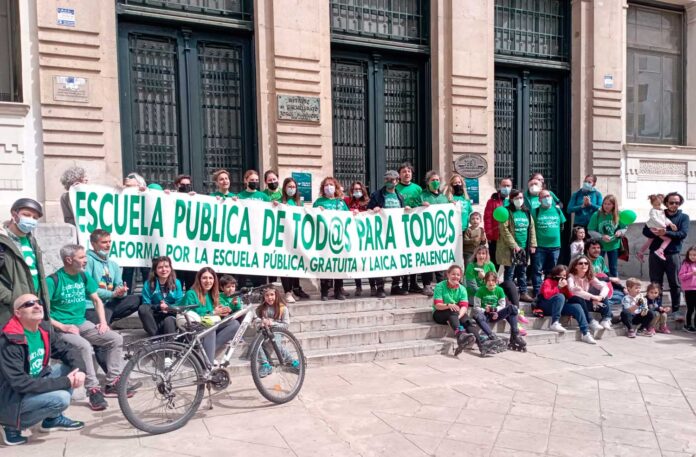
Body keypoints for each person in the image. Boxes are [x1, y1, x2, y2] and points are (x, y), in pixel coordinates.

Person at [47, 244, 135, 411]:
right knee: (85, 346)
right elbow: (43, 312)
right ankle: (93, 389)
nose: (86, 260)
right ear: (68, 260)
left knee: (115, 338)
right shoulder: (53, 281)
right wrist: (63, 326)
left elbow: (97, 300)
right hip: (61, 327)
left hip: (81, 322)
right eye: (81, 257)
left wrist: (103, 322)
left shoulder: (84, 276)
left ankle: (112, 383)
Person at [0, 294, 86, 446]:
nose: (37, 305)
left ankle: (52, 419)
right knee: (61, 398)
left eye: (38, 302)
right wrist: (65, 382)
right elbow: (19, 383)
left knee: (69, 368)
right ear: (18, 313)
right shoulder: (9, 340)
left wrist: (80, 371)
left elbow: (68, 351)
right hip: (10, 396)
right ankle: (11, 426)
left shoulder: (43, 330)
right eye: (29, 304)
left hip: (33, 381)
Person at [0, 198, 50, 327]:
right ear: (14, 214)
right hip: (11, 310)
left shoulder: (32, 241)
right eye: (26, 215)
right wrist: (11, 298)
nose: (31, 220)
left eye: (35, 217)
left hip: (34, 305)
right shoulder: (2, 242)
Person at [431, 265, 499, 357]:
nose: (456, 277)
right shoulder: (440, 286)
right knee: (453, 310)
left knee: (467, 320)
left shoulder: (462, 289)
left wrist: (457, 317)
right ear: (448, 274)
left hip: (454, 314)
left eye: (458, 275)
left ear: (461, 276)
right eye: (453, 274)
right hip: (440, 313)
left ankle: (481, 346)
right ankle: (460, 335)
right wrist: (449, 305)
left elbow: (464, 306)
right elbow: (437, 305)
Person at [642, 192, 690, 313]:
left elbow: (682, 234)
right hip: (655, 254)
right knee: (655, 283)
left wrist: (666, 233)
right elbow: (645, 231)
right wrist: (655, 232)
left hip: (672, 254)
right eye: (671, 202)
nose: (674, 205)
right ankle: (656, 310)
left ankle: (675, 310)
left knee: (675, 283)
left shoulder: (683, 217)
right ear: (666, 203)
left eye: (677, 203)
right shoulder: (658, 212)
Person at [181, 267, 240, 362]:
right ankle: (208, 364)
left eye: (210, 278)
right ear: (199, 279)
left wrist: (223, 311)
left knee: (235, 324)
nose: (208, 281)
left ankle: (205, 353)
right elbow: (192, 313)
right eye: (204, 278)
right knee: (210, 328)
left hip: (210, 325)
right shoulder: (191, 293)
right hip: (195, 328)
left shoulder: (212, 294)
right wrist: (213, 312)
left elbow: (215, 314)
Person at [85, 229, 141, 322]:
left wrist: (121, 291)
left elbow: (119, 284)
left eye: (109, 241)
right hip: (92, 305)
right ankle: (104, 321)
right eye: (104, 242)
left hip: (108, 303)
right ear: (93, 244)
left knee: (138, 299)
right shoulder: (87, 261)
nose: (108, 245)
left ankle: (107, 319)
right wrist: (112, 294)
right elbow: (89, 289)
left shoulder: (113, 264)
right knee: (104, 328)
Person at [368, 170, 407, 298]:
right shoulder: (377, 195)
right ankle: (380, 287)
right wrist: (374, 209)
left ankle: (396, 285)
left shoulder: (400, 196)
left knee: (396, 259)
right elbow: (368, 210)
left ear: (397, 181)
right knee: (381, 259)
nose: (390, 182)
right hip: (382, 234)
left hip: (397, 234)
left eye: (392, 180)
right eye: (387, 180)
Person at [536, 265, 596, 344]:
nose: (564, 278)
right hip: (546, 306)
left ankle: (586, 333)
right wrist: (558, 287)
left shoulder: (565, 283)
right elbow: (547, 295)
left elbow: (569, 297)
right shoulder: (548, 281)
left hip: (559, 307)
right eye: (562, 275)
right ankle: (554, 323)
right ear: (555, 275)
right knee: (560, 296)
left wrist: (568, 288)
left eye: (565, 276)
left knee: (577, 306)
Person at [497, 189, 536, 302]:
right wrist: (514, 245)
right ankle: (508, 294)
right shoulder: (507, 212)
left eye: (521, 198)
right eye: (517, 198)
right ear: (511, 199)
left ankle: (523, 292)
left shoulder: (526, 212)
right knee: (510, 272)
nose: (520, 200)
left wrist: (533, 244)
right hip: (511, 249)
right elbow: (504, 230)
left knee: (522, 271)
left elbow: (531, 229)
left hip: (524, 247)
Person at [314, 177, 349, 301]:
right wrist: (317, 211)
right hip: (324, 239)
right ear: (323, 188)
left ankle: (338, 290)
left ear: (336, 187)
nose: (329, 187)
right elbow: (311, 217)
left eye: (331, 184)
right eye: (326, 185)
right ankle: (324, 291)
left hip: (339, 239)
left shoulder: (341, 202)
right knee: (325, 265)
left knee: (339, 264)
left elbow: (348, 217)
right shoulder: (319, 202)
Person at [472, 272, 527, 351]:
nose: (491, 283)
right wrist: (485, 310)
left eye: (493, 280)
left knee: (512, 308)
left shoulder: (500, 290)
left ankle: (515, 335)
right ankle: (492, 337)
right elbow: (476, 307)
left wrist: (494, 310)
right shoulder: (480, 290)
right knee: (477, 316)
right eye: (488, 281)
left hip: (496, 314)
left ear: (496, 281)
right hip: (485, 315)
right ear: (485, 281)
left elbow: (502, 305)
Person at [418, 170, 451, 296]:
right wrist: (420, 205)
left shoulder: (443, 198)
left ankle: (441, 284)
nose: (436, 182)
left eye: (437, 180)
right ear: (427, 182)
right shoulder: (422, 196)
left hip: (440, 235)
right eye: (433, 180)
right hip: (426, 235)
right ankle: (426, 285)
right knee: (427, 260)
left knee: (440, 260)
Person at [255, 286, 299, 377]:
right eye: (267, 295)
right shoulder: (261, 308)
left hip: (277, 331)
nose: (270, 297)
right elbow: (256, 322)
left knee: (277, 345)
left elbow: (286, 324)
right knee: (258, 344)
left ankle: (292, 361)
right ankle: (265, 364)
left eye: (272, 295)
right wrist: (261, 323)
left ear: (276, 295)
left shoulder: (283, 308)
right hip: (264, 331)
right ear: (264, 297)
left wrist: (272, 323)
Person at [279, 178, 310, 302]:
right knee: (285, 264)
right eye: (289, 186)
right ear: (285, 188)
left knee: (296, 264)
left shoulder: (299, 203)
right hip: (283, 238)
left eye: (294, 187)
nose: (292, 189)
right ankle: (287, 291)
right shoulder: (280, 201)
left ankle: (296, 288)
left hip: (296, 239)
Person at [394, 162, 424, 294]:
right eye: (404, 172)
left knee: (414, 255)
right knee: (403, 255)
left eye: (409, 171)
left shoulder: (418, 189)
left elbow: (420, 203)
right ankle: (403, 283)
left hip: (415, 227)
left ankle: (414, 282)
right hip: (400, 226)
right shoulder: (395, 188)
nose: (407, 174)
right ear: (399, 175)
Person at [531, 188, 566, 297]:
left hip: (555, 246)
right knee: (537, 270)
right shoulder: (535, 211)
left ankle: (548, 291)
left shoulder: (557, 210)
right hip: (540, 246)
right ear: (539, 200)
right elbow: (532, 228)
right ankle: (537, 292)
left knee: (551, 272)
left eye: (548, 196)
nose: (547, 198)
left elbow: (562, 225)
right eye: (544, 197)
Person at [567, 256, 612, 336]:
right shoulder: (571, 276)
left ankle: (606, 319)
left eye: (586, 263)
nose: (584, 265)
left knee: (603, 294)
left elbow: (604, 287)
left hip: (587, 302)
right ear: (575, 266)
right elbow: (573, 290)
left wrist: (600, 297)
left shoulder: (589, 276)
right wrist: (592, 297)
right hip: (574, 302)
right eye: (580, 263)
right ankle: (590, 321)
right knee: (578, 297)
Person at [138, 256, 182, 337]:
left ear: (170, 268)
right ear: (155, 270)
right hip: (155, 319)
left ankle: (170, 345)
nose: (164, 270)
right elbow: (146, 304)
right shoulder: (148, 283)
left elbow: (179, 303)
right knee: (142, 308)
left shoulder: (177, 283)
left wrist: (168, 307)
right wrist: (159, 307)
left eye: (166, 267)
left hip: (170, 317)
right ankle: (156, 338)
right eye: (160, 267)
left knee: (168, 321)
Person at [345, 181, 375, 296]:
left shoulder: (368, 202)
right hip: (353, 236)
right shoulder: (347, 201)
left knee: (368, 262)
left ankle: (373, 286)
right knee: (356, 262)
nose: (357, 191)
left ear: (363, 190)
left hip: (366, 237)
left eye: (359, 189)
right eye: (354, 190)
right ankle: (358, 287)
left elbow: (372, 213)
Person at [122, 173, 150, 292]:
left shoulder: (147, 194)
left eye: (131, 178)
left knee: (146, 269)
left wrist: (146, 191)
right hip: (129, 238)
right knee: (128, 270)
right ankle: (126, 295)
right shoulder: (121, 194)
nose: (128, 179)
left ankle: (148, 295)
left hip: (145, 238)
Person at [587, 195, 626, 278]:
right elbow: (590, 230)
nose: (606, 206)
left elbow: (624, 228)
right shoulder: (596, 214)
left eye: (609, 204)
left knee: (613, 268)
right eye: (605, 204)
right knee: (597, 267)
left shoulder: (619, 214)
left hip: (614, 245)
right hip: (599, 246)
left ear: (614, 205)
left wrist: (620, 232)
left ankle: (615, 287)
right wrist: (601, 237)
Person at [484, 177, 512, 272]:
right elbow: (487, 219)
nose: (506, 187)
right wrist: (489, 235)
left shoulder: (513, 200)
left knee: (510, 262)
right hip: (496, 236)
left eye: (508, 186)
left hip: (510, 237)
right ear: (499, 186)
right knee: (495, 261)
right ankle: (492, 281)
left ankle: (508, 282)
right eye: (504, 185)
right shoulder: (492, 201)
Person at [637, 194, 676, 263]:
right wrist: (663, 225)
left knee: (650, 241)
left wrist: (670, 224)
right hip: (654, 228)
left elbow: (665, 219)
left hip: (656, 227)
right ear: (652, 204)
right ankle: (660, 251)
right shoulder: (653, 211)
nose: (657, 206)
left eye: (659, 204)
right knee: (667, 239)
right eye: (655, 205)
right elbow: (654, 219)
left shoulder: (661, 210)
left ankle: (640, 252)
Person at [444, 172, 473, 237]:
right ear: (452, 185)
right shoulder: (449, 198)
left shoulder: (466, 198)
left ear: (462, 184)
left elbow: (469, 213)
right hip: (453, 230)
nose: (458, 184)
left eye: (459, 182)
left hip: (464, 229)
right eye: (455, 183)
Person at [678, 246, 696, 332]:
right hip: (689, 290)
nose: (692, 256)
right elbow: (681, 276)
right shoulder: (686, 264)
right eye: (691, 255)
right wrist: (691, 273)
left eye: (695, 255)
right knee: (690, 308)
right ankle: (687, 325)